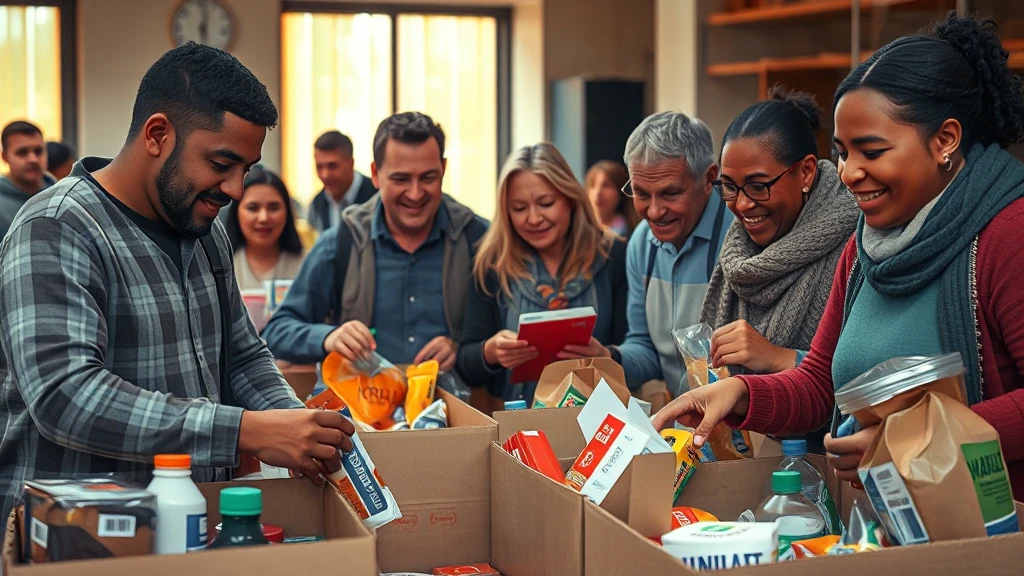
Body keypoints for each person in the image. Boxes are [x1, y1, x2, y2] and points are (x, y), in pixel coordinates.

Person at [652, 14, 1024, 498]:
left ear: (945, 140)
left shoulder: (1006, 234)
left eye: (871, 151)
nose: (848, 173)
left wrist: (917, 442)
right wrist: (742, 395)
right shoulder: (864, 248)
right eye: (843, 153)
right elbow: (822, 385)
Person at [0, 43, 355, 523]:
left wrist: (298, 427)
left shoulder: (201, 232)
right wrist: (244, 431)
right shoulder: (57, 225)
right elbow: (66, 396)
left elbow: (243, 356)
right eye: (221, 164)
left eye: (245, 170)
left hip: (190, 527)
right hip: (79, 537)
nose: (234, 190)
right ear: (158, 134)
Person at [263, 112, 489, 373]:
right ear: (375, 174)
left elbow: (503, 336)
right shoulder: (341, 242)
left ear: (444, 170)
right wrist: (328, 337)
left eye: (428, 177)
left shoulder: (479, 240)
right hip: (361, 410)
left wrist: (461, 347)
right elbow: (277, 331)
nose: (415, 193)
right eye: (401, 179)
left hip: (458, 409)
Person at [566, 112, 732, 397]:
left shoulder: (739, 237)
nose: (654, 212)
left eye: (670, 194)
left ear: (710, 178)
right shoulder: (641, 243)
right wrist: (609, 357)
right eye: (641, 194)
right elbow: (645, 347)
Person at [458, 143, 628, 410]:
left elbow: (634, 347)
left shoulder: (613, 255)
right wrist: (490, 352)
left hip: (600, 417)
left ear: (571, 199)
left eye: (546, 203)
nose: (534, 218)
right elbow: (467, 364)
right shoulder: (492, 263)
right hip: (515, 421)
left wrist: (607, 356)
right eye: (519, 208)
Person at [703, 88, 859, 377]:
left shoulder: (857, 246)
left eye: (759, 185)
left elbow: (870, 377)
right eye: (729, 187)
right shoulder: (737, 253)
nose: (742, 203)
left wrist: (780, 358)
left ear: (806, 172)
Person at [224, 165, 305, 291]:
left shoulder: (307, 267)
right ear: (236, 212)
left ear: (287, 212)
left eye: (273, 208)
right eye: (253, 208)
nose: (264, 218)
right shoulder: (221, 268)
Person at [307, 130, 378, 231]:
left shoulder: (377, 196)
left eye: (332, 166)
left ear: (351, 163)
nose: (325, 175)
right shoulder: (317, 205)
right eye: (319, 167)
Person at [0, 120, 55, 238]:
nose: (33, 159)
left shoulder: (61, 195)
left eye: (38, 151)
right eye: (22, 152)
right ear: (4, 157)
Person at [585, 160, 640, 237]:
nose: (598, 192)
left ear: (620, 191)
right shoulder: (578, 230)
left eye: (606, 185)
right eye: (592, 185)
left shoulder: (633, 234)